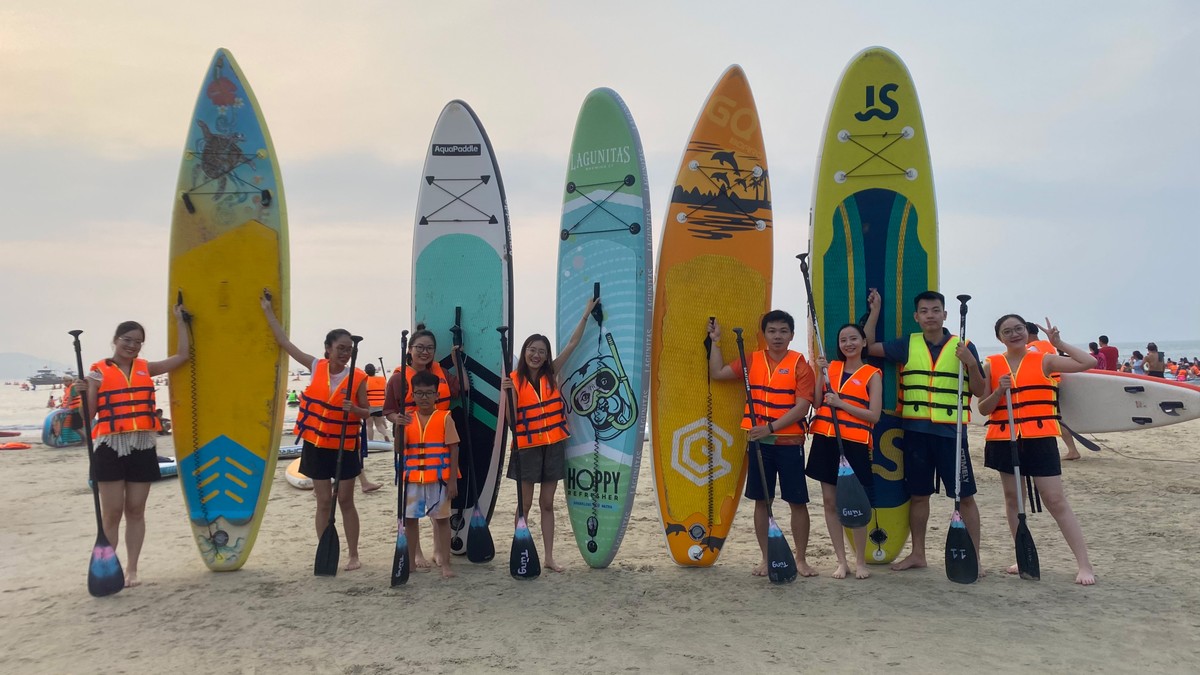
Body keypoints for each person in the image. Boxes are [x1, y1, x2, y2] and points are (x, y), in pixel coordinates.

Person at [864, 289, 985, 574]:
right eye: (924, 311)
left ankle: (976, 558)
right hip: (916, 434)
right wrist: (875, 311)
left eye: (935, 310)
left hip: (952, 436)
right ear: (916, 317)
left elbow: (980, 390)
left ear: (945, 314)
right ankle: (918, 553)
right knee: (918, 495)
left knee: (964, 497)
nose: (930, 315)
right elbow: (867, 346)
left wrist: (969, 362)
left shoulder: (964, 346)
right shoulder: (908, 344)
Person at [977, 314, 1097, 585]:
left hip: (1039, 438)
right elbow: (983, 407)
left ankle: (1084, 565)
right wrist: (998, 391)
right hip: (1003, 439)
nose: (1014, 334)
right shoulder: (992, 365)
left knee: (1054, 499)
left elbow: (1088, 362)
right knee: (1012, 499)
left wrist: (1059, 342)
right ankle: (1022, 554)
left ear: (1026, 332)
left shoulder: (1044, 359)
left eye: (1018, 329)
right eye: (1007, 331)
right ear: (999, 337)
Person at [82, 305, 191, 587]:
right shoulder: (98, 372)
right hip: (110, 446)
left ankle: (132, 569)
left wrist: (181, 321)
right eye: (127, 340)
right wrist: (89, 389)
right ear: (115, 341)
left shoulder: (146, 368)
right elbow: (90, 414)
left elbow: (182, 356)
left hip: (142, 445)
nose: (132, 346)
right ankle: (108, 566)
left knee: (135, 510)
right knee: (112, 512)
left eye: (137, 342)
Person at [261, 294, 369, 571]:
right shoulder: (315, 366)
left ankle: (354, 555)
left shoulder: (358, 378)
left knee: (345, 500)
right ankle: (326, 549)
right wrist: (268, 311)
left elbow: (368, 413)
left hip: (345, 446)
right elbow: (285, 343)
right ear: (328, 349)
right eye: (340, 348)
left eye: (348, 349)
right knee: (323, 501)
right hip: (316, 445)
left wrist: (353, 409)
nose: (344, 353)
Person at [709, 310, 817, 578]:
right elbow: (718, 372)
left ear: (792, 335)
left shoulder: (800, 365)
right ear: (764, 334)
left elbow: (802, 407)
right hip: (760, 445)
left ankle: (801, 559)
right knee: (762, 502)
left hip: (789, 443)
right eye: (772, 331)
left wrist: (769, 427)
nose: (777, 336)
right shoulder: (752, 360)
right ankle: (767, 558)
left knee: (797, 502)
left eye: (783, 331)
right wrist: (715, 342)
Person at [501, 298, 597, 573]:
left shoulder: (552, 373)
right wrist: (507, 394)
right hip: (527, 448)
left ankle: (550, 557)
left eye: (541, 351)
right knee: (526, 503)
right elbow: (512, 422)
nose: (536, 355)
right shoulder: (513, 380)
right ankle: (520, 547)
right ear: (525, 351)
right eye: (532, 350)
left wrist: (585, 314)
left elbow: (572, 345)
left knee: (547, 504)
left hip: (553, 445)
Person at [382, 325, 462, 569]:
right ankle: (415, 554)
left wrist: (457, 359)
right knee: (412, 511)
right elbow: (388, 410)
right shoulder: (397, 378)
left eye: (429, 348)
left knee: (439, 513)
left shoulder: (441, 374)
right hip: (411, 443)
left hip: (437, 442)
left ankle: (440, 552)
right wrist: (398, 421)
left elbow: (461, 390)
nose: (424, 352)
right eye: (420, 348)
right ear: (410, 350)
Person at [806, 323, 880, 580]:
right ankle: (841, 561)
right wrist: (820, 373)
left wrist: (841, 403)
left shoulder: (872, 374)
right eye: (843, 340)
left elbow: (874, 414)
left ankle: (860, 561)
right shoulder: (831, 369)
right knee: (830, 502)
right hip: (826, 441)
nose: (848, 343)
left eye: (853, 339)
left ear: (863, 342)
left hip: (854, 444)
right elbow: (816, 402)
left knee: (856, 504)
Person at [398, 370, 460, 579]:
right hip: (413, 479)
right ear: (413, 395)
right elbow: (399, 448)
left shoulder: (444, 418)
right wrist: (398, 428)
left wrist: (452, 481)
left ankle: (445, 563)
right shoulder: (407, 420)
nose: (424, 398)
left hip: (439, 480)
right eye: (419, 393)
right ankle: (411, 563)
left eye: (428, 393)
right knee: (411, 520)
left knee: (442, 519)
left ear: (436, 395)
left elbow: (453, 449)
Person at [1026, 323, 1081, 461]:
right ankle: (1071, 450)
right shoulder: (1046, 345)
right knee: (1056, 418)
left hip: (1042, 388)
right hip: (1053, 384)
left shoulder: (1032, 348)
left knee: (1055, 419)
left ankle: (1072, 450)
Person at [363, 363, 391, 444]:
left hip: (369, 406)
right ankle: (385, 435)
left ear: (366, 371)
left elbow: (363, 394)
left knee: (369, 425)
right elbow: (386, 393)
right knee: (379, 425)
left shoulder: (365, 380)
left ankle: (371, 441)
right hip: (380, 405)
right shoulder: (382, 379)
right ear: (374, 371)